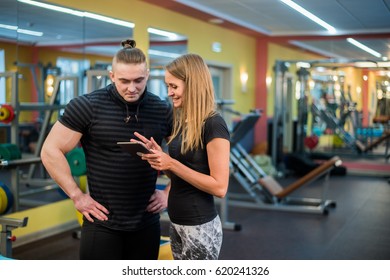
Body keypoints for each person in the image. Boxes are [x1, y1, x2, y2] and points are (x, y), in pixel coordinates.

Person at [40, 39, 173, 260]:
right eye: (124, 81)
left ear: (147, 75)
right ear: (112, 76)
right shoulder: (87, 106)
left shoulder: (162, 109)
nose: (132, 88)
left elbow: (185, 155)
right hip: (101, 223)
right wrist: (77, 196)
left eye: (139, 80)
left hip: (146, 223)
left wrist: (169, 193)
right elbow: (50, 150)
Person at [134, 53, 230, 260]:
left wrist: (173, 164)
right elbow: (179, 175)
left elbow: (220, 187)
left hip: (200, 225)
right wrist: (160, 158)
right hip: (177, 221)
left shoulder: (213, 124)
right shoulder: (184, 122)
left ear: (192, 84)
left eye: (174, 86)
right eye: (168, 86)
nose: (169, 93)